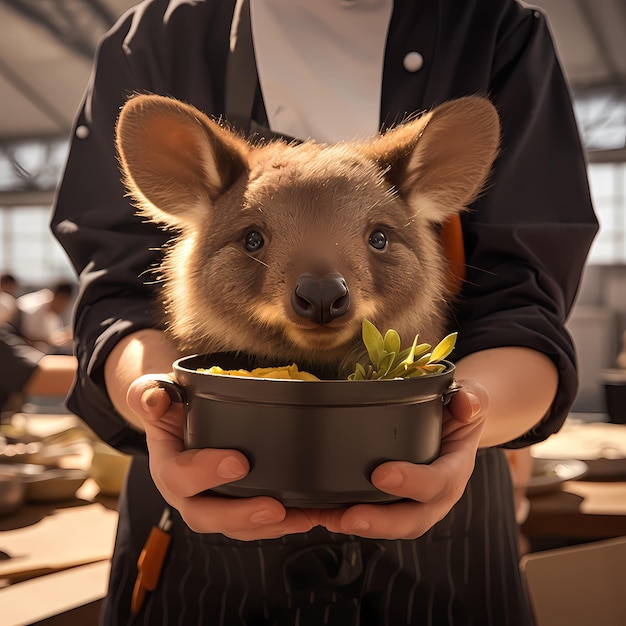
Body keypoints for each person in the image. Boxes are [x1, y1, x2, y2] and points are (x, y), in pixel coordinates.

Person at [51, 1, 598, 624]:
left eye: (380, 239)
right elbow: (116, 297)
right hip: (202, 521)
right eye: (253, 241)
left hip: (445, 524)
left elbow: (524, 304)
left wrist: (455, 419)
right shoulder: (161, 36)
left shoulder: (494, 27)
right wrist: (167, 409)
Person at [16, 280, 74, 353]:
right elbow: (27, 336)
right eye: (63, 303)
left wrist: (67, 335)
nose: (63, 307)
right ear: (59, 297)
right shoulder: (34, 306)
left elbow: (51, 338)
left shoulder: (53, 316)